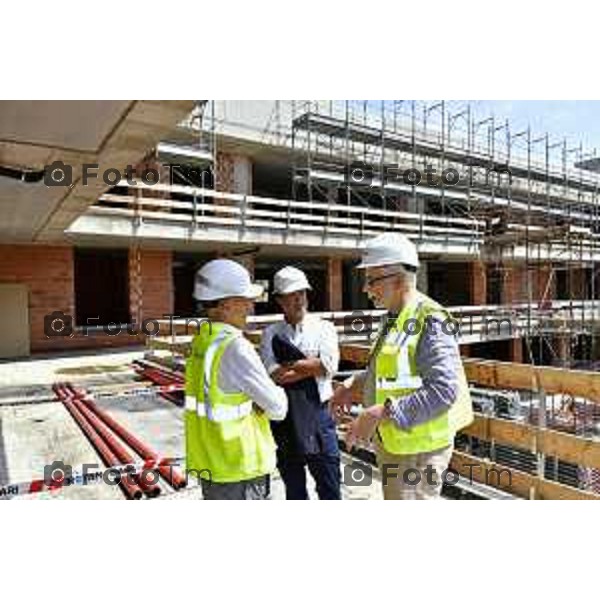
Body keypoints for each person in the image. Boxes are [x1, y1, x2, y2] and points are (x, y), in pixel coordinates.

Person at [331, 233, 473, 500]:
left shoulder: (430, 319)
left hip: (421, 452)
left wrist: (377, 413)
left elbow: (443, 391)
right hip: (397, 443)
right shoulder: (394, 319)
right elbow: (391, 374)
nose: (366, 289)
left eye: (371, 280)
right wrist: (353, 385)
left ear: (396, 279)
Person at [185, 259, 288, 500]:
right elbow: (278, 408)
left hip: (211, 466)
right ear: (226, 304)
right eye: (245, 300)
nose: (251, 307)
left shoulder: (201, 341)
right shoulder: (235, 347)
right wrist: (271, 395)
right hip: (240, 469)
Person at [260, 266, 341, 500]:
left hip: (319, 417)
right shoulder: (271, 334)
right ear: (279, 299)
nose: (299, 300)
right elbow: (273, 375)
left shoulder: (324, 328)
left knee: (330, 485)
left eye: (302, 294)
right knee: (294, 490)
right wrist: (311, 366)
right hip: (286, 420)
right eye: (292, 295)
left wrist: (291, 364)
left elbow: (329, 366)